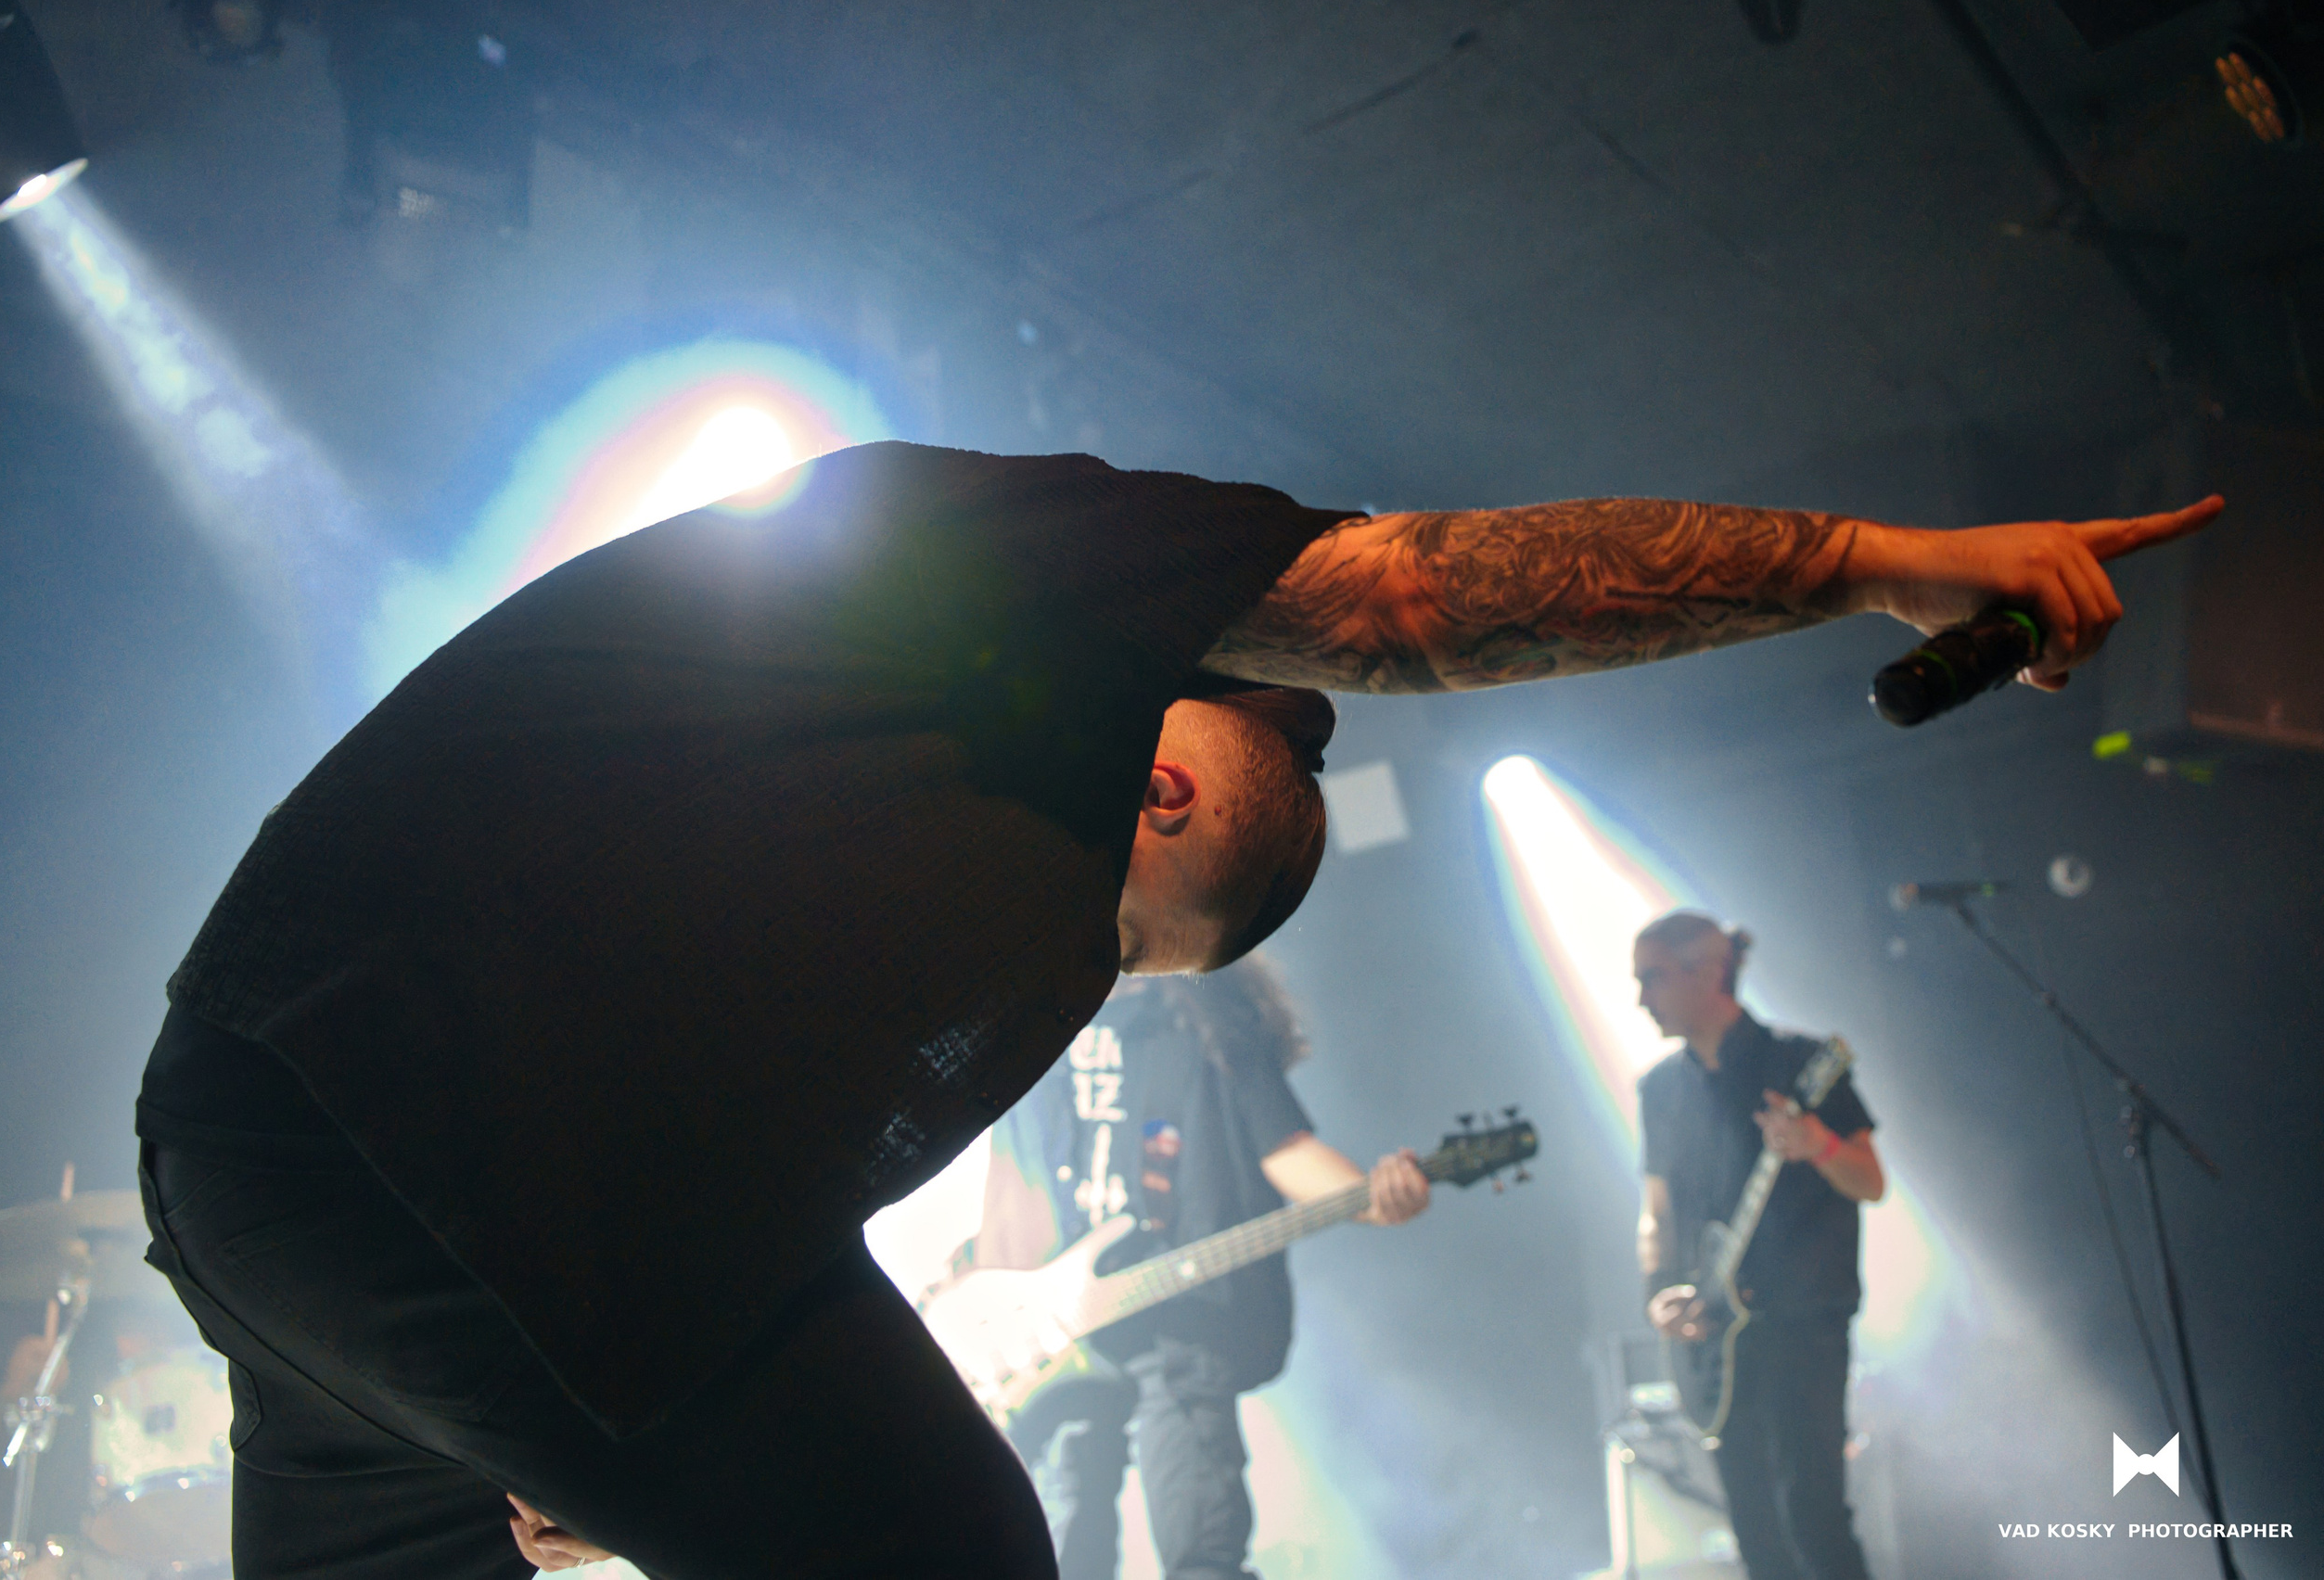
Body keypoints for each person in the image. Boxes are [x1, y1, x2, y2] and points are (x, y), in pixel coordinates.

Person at [128, 439, 2214, 1579]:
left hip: (246, 1136)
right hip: (436, 1134)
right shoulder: (983, 578)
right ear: (1161, 779)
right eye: (1144, 929)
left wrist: (610, 1390)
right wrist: (1872, 557)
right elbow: (1416, 600)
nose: (1101, 974)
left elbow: (723, 1111)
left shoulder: (843, 857)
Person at [956, 963, 1425, 1579]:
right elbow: (1002, 1177)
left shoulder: (1207, 1021)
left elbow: (1284, 1148)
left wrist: (1370, 1197)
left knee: (1202, 1545)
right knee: (1061, 1545)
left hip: (1180, 1327)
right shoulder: (1034, 1027)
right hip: (1057, 1336)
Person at [1634, 912, 1883, 1580]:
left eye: (1652, 977)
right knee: (1756, 1532)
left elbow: (1870, 1179)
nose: (1640, 998)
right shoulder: (1658, 1088)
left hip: (1804, 1320)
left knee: (1814, 1515)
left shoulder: (1801, 1062)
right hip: (1717, 1335)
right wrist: (1661, 1295)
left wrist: (1819, 1145)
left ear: (1708, 971)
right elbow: (1655, 1211)